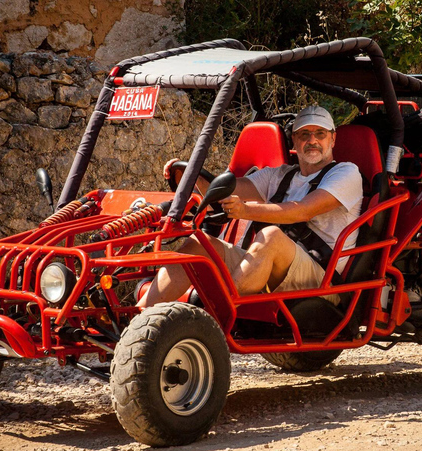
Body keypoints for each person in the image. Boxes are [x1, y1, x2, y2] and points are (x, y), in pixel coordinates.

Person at [137, 105, 363, 308]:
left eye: (320, 134)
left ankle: (213, 318)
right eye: (304, 134)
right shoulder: (280, 175)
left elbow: (302, 210)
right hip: (275, 266)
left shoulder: (346, 173)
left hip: (321, 277)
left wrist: (246, 211)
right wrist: (190, 174)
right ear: (294, 140)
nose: (312, 140)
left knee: (271, 236)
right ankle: (137, 320)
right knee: (199, 244)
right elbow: (227, 191)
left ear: (333, 140)